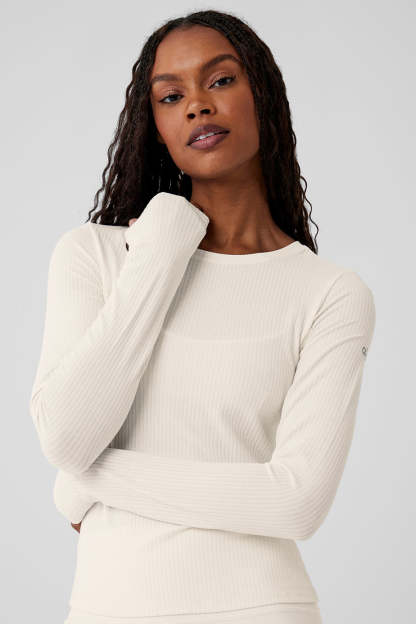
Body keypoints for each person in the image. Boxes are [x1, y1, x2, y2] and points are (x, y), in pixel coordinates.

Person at [29, 9, 376, 624]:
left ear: (263, 94)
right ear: (156, 126)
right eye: (171, 96)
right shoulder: (97, 256)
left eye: (220, 80)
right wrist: (164, 244)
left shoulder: (329, 293)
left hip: (263, 607)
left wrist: (85, 478)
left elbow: (296, 503)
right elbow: (66, 436)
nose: (197, 105)